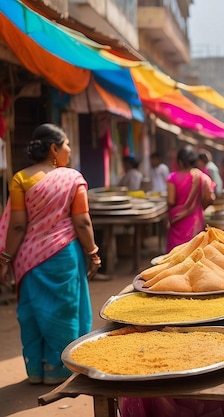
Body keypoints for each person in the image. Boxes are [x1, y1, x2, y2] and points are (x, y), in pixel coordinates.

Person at [0, 123, 100, 385]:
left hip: (27, 258)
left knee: (33, 311)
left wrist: (6, 258)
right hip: (63, 256)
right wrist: (93, 252)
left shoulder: (20, 179)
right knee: (64, 312)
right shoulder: (72, 178)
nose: (69, 149)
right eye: (66, 144)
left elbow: (18, 224)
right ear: (54, 149)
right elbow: (82, 222)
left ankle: (36, 371)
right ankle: (60, 369)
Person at [166, 146, 215, 252]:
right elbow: (210, 198)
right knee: (194, 253)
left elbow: (170, 201)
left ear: (179, 162)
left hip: (177, 223)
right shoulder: (202, 177)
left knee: (176, 256)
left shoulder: (173, 177)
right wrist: (199, 208)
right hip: (195, 223)